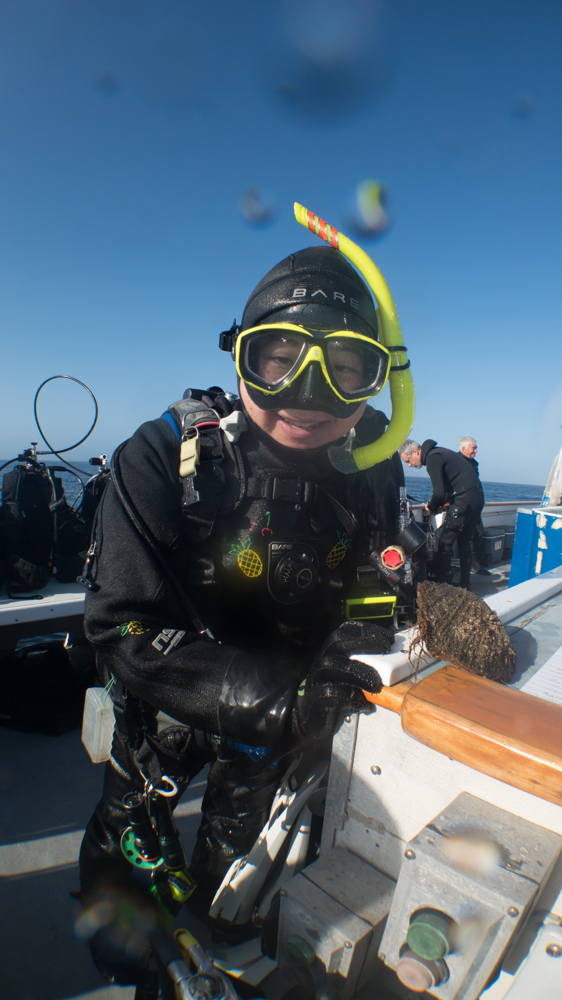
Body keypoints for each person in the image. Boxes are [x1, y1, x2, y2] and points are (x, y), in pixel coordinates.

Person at [78, 237, 414, 984]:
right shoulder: (167, 453)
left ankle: (219, 943)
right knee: (130, 856)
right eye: (279, 357)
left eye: (346, 367)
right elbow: (120, 624)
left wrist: (355, 652)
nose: (308, 392)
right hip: (172, 701)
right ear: (240, 355)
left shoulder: (372, 468)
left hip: (286, 722)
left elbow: (374, 579)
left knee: (234, 889)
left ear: (377, 379)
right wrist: (281, 699)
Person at [399, 436, 485, 589]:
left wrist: (432, 507)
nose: (410, 465)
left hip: (464, 500)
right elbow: (445, 491)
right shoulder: (439, 452)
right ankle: (465, 584)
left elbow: (438, 493)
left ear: (415, 452)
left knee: (444, 542)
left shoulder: (433, 458)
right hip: (477, 498)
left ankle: (440, 585)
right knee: (464, 542)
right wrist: (436, 505)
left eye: (408, 461)